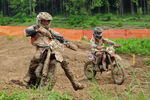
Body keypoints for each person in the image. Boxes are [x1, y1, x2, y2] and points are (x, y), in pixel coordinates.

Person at [23, 12, 84, 91]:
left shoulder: (51, 32)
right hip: (41, 50)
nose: (46, 23)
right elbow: (26, 32)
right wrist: (37, 30)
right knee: (36, 57)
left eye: (47, 21)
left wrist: (68, 43)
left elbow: (61, 38)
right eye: (43, 21)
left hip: (52, 50)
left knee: (65, 64)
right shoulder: (35, 28)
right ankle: (29, 75)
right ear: (39, 21)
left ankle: (75, 83)